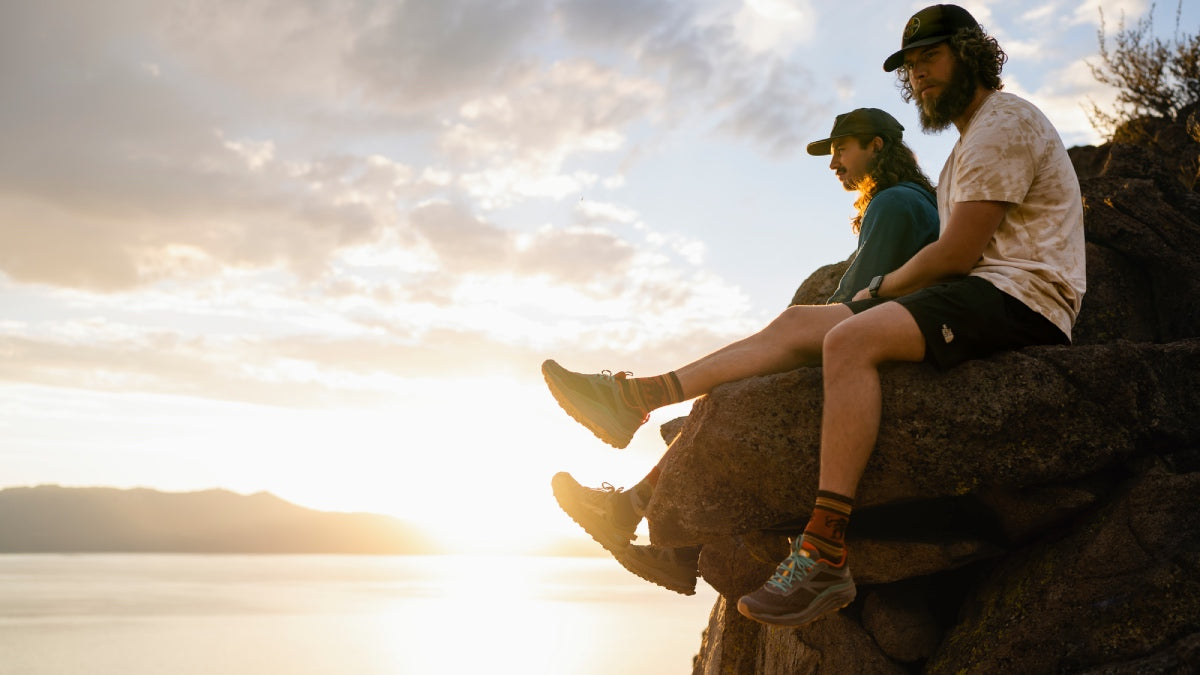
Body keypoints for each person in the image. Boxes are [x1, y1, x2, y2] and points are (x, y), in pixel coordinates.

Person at [545, 2, 1086, 625]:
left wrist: (874, 292)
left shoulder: (1003, 122)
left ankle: (824, 551)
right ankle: (637, 397)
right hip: (977, 294)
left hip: (1021, 301)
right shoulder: (964, 149)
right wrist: (869, 297)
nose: (919, 78)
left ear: (969, 53)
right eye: (910, 68)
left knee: (848, 342)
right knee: (801, 324)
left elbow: (958, 253)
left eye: (929, 59)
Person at [548, 107, 940, 595]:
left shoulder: (896, 203)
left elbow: (857, 307)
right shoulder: (910, 202)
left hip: (877, 352)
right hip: (886, 343)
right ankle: (649, 525)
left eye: (842, 148)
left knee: (749, 376)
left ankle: (634, 408)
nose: (834, 162)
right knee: (731, 394)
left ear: (877, 147)